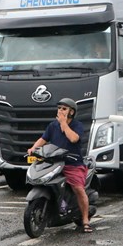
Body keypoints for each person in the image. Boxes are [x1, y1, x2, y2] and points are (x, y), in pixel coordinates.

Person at [27, 98, 90, 231]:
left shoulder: (77, 125)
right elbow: (43, 139)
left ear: (71, 112)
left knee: (78, 188)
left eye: (64, 109)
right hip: (54, 162)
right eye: (59, 108)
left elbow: (73, 138)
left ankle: (85, 220)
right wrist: (33, 148)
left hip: (72, 163)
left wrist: (63, 123)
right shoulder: (52, 126)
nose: (60, 111)